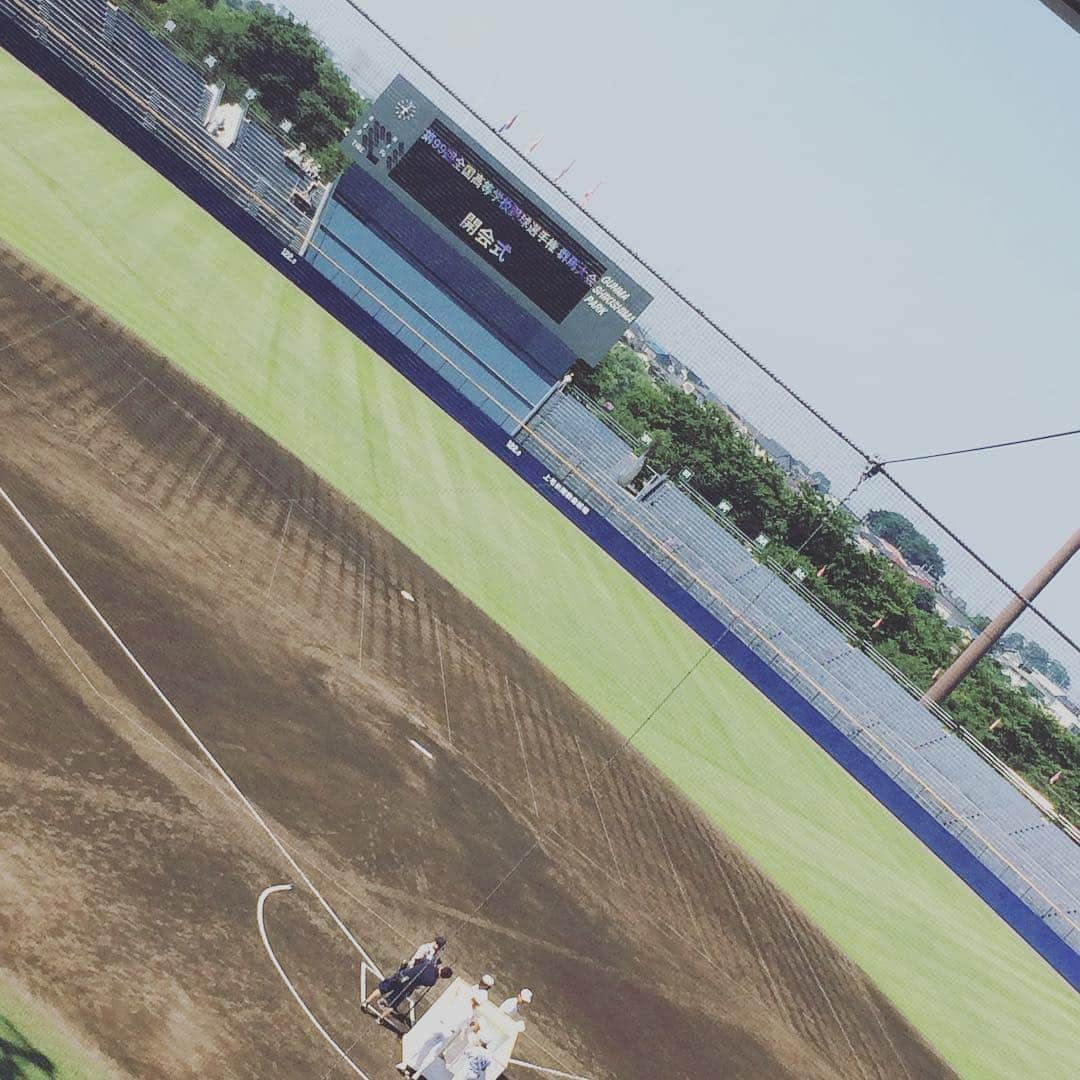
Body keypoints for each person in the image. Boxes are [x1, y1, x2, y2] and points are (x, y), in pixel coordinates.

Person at [363, 958, 452, 1022]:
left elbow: (419, 961)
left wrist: (435, 965)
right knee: (394, 1003)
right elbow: (422, 983)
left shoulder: (429, 964)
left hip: (402, 976)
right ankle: (380, 1018)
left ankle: (366, 1002)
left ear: (442, 968)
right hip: (408, 987)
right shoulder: (432, 981)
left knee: (383, 988)